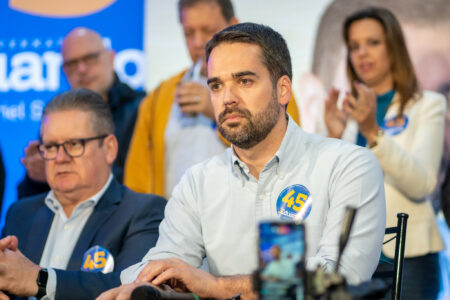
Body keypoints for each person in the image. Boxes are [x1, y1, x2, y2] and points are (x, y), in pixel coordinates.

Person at [98, 22, 385, 300]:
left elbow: (341, 279)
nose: (227, 98)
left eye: (244, 81)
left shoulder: (348, 165)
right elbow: (167, 260)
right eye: (216, 85)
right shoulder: (197, 182)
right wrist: (137, 287)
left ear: (283, 89)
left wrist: (216, 286)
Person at [323, 7, 446, 299]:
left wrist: (372, 132)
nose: (362, 53)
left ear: (393, 46)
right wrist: (334, 136)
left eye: (373, 42)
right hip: (353, 259)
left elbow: (422, 184)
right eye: (354, 46)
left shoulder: (427, 104)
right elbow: (330, 193)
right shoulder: (346, 113)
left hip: (410, 258)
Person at [124, 0, 300, 198]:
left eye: (208, 30)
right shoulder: (158, 98)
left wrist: (217, 110)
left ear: (233, 25)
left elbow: (286, 155)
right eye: (189, 33)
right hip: (174, 223)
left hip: (248, 219)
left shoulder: (270, 86)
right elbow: (136, 182)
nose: (198, 42)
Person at [0, 89, 166, 299]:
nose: (60, 158)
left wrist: (39, 280)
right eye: (51, 146)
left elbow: (132, 287)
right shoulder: (20, 213)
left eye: (74, 144)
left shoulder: (144, 212)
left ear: (109, 148)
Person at [18, 27, 144, 199]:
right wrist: (37, 177)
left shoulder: (143, 109)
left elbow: (145, 181)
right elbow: (29, 205)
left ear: (111, 58)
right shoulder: (58, 117)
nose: (82, 69)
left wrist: (69, 173)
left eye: (90, 58)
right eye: (72, 64)